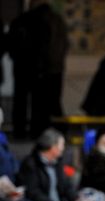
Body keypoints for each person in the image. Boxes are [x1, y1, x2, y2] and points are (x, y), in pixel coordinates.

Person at [7, 0, 68, 139]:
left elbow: (11, 43)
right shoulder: (55, 21)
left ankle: (20, 130)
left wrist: (16, 57)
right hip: (46, 69)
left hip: (24, 66)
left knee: (22, 101)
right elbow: (57, 47)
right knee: (40, 103)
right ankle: (37, 130)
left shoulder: (22, 21)